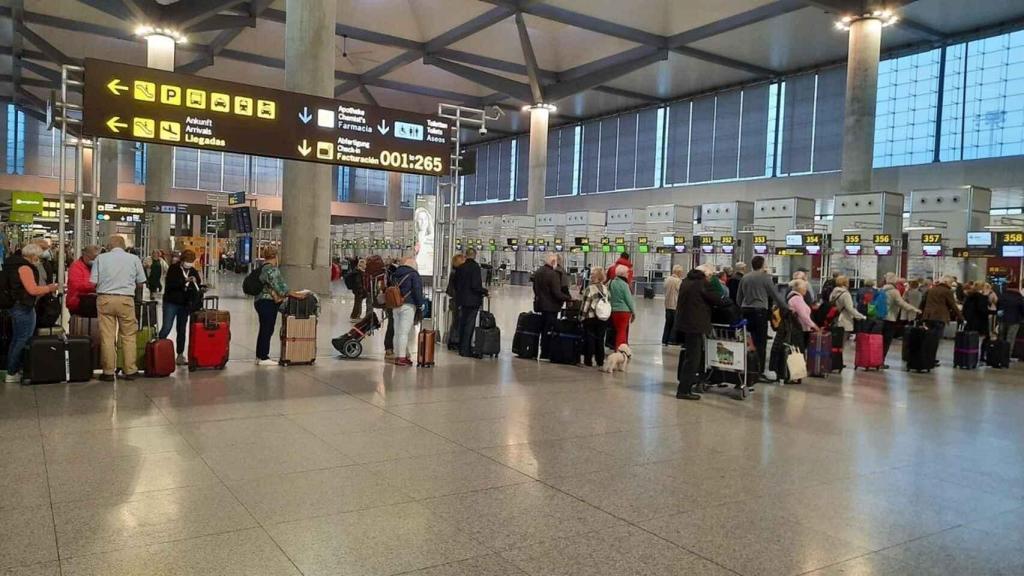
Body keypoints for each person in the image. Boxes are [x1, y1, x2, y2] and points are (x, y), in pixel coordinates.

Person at [90, 235, 147, 381]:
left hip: (105, 299)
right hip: (126, 300)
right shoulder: (133, 259)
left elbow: (93, 282)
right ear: (123, 246)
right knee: (128, 336)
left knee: (107, 337)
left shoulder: (100, 259)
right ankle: (130, 370)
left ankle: (108, 372)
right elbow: (141, 281)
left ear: (109, 246)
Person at [3, 243, 59, 383]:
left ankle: (12, 369)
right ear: (33, 256)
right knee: (22, 339)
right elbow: (32, 290)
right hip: (23, 307)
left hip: (15, 306)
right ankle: (12, 371)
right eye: (39, 257)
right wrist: (49, 288)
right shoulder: (25, 268)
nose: (39, 260)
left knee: (17, 339)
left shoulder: (12, 264)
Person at [253, 246, 308, 366]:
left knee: (264, 328)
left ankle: (260, 356)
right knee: (267, 329)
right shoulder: (272, 270)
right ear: (275, 257)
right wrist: (297, 295)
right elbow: (282, 288)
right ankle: (263, 357)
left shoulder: (262, 268)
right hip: (267, 303)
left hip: (259, 301)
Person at [735, 255, 787, 382]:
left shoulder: (745, 277)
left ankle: (747, 368)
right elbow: (775, 295)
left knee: (747, 341)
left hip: (745, 311)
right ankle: (758, 371)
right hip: (759, 313)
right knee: (760, 343)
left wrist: (743, 306)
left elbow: (738, 297)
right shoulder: (766, 278)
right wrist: (786, 307)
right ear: (763, 265)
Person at [673, 265, 720, 401]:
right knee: (693, 359)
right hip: (695, 325)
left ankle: (686, 386)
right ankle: (684, 390)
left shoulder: (686, 281)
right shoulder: (702, 284)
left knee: (689, 357)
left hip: (684, 323)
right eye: (710, 276)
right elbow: (716, 298)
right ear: (706, 275)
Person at [159, 249, 202, 366]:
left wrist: (199, 285)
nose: (189, 263)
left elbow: (198, 282)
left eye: (191, 261)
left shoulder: (193, 271)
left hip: (185, 304)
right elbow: (171, 284)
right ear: (182, 260)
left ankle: (180, 354)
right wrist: (184, 281)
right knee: (167, 327)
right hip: (171, 302)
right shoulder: (174, 269)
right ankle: (159, 348)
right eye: (187, 261)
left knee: (181, 329)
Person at [388, 257, 425, 367]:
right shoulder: (414, 274)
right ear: (412, 264)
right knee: (404, 332)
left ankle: (398, 355)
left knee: (397, 331)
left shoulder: (395, 274)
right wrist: (420, 304)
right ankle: (402, 357)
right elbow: (417, 290)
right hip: (408, 305)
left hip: (395, 304)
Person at [880, 272, 921, 367]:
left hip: (880, 318)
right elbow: (901, 303)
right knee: (886, 342)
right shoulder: (894, 291)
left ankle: (876, 359)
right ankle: (881, 361)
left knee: (879, 341)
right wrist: (914, 309)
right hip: (889, 318)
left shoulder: (881, 289)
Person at [533, 252, 571, 351]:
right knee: (548, 329)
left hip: (540, 304)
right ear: (553, 261)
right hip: (551, 306)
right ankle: (545, 352)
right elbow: (557, 293)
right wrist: (568, 298)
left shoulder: (538, 272)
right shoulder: (553, 274)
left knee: (542, 327)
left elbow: (535, 289)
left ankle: (539, 348)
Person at [454, 248, 487, 358]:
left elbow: (456, 284)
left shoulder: (460, 268)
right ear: (475, 255)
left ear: (466, 255)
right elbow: (475, 285)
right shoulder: (475, 267)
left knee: (463, 323)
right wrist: (485, 291)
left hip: (462, 300)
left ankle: (460, 347)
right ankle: (466, 349)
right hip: (472, 301)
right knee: (469, 325)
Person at [920, 276, 963, 363]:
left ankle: (926, 357)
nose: (951, 285)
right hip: (939, 317)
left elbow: (923, 302)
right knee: (935, 339)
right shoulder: (947, 291)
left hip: (928, 317)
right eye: (951, 283)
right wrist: (961, 317)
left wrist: (921, 314)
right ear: (947, 282)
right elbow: (953, 305)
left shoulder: (931, 289)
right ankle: (931, 359)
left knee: (928, 338)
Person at [828, 275, 866, 369]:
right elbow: (850, 308)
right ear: (845, 283)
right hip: (845, 320)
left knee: (834, 343)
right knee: (841, 343)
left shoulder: (833, 292)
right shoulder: (845, 294)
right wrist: (861, 316)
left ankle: (832, 361)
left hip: (835, 319)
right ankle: (837, 362)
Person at [580, 266, 610, 368]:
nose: (591, 275)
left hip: (591, 318)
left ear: (596, 276)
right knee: (600, 339)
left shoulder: (590, 289)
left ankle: (588, 361)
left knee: (590, 339)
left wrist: (581, 318)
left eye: (592, 274)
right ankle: (600, 361)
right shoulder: (605, 289)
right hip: (603, 318)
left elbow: (585, 305)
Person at [66, 245, 99, 315]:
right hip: (77, 303)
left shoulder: (95, 267)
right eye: (92, 258)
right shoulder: (76, 267)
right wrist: (94, 285)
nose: (94, 260)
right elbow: (76, 285)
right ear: (84, 255)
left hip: (92, 303)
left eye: (96, 258)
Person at [788, 278, 819, 351]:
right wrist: (814, 326)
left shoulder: (798, 298)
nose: (806, 289)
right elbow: (803, 316)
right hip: (799, 329)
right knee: (799, 351)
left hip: (799, 328)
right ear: (799, 288)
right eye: (805, 287)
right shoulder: (797, 299)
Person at [609, 265, 635, 348]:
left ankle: (617, 348)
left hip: (613, 311)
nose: (628, 274)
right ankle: (621, 350)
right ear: (623, 274)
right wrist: (634, 312)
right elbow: (629, 300)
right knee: (622, 332)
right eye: (627, 273)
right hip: (624, 312)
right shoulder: (624, 285)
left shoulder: (611, 283)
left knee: (617, 331)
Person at [997, 284, 1024, 349]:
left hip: (1002, 319)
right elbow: (1022, 309)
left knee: (1001, 337)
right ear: (1016, 288)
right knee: (1010, 338)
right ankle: (1007, 355)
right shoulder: (1019, 297)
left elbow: (998, 306)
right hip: (1014, 321)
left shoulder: (1002, 295)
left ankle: (999, 353)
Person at [662, 265, 683, 346]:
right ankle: (672, 340)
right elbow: (680, 292)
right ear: (678, 272)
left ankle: (664, 340)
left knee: (667, 323)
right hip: (675, 304)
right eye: (681, 272)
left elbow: (664, 288)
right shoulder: (678, 281)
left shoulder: (667, 279)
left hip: (667, 304)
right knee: (674, 323)